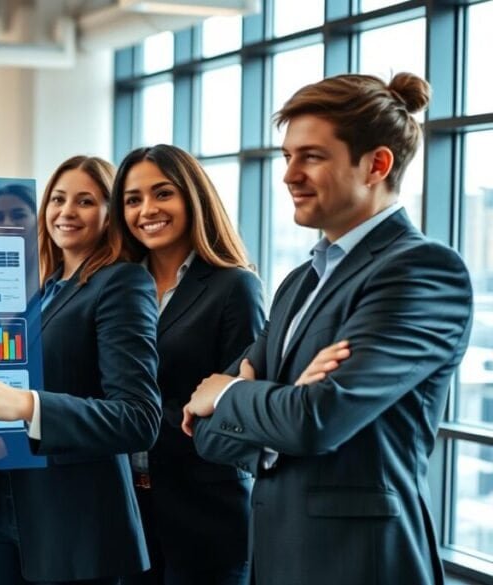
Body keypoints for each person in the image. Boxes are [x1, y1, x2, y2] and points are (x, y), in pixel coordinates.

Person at [183, 72, 474, 585]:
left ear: (376, 165)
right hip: (276, 556)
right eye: (287, 156)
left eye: (311, 156)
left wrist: (234, 392)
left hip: (360, 563)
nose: (289, 174)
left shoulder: (421, 270)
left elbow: (317, 419)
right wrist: (277, 403)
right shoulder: (300, 281)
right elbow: (205, 431)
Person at [0, 155, 161, 585]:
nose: (66, 211)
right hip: (11, 513)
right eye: (58, 199)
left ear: (110, 212)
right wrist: (2, 440)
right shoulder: (49, 290)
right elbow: (40, 404)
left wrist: (26, 404)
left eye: (85, 201)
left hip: (75, 524)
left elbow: (138, 417)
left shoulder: (122, 283)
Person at [111, 145, 263, 585]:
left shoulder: (234, 286)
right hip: (126, 511)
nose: (147, 210)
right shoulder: (115, 287)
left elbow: (237, 405)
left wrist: (128, 423)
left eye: (163, 194)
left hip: (203, 515)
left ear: (192, 198)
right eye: (133, 199)